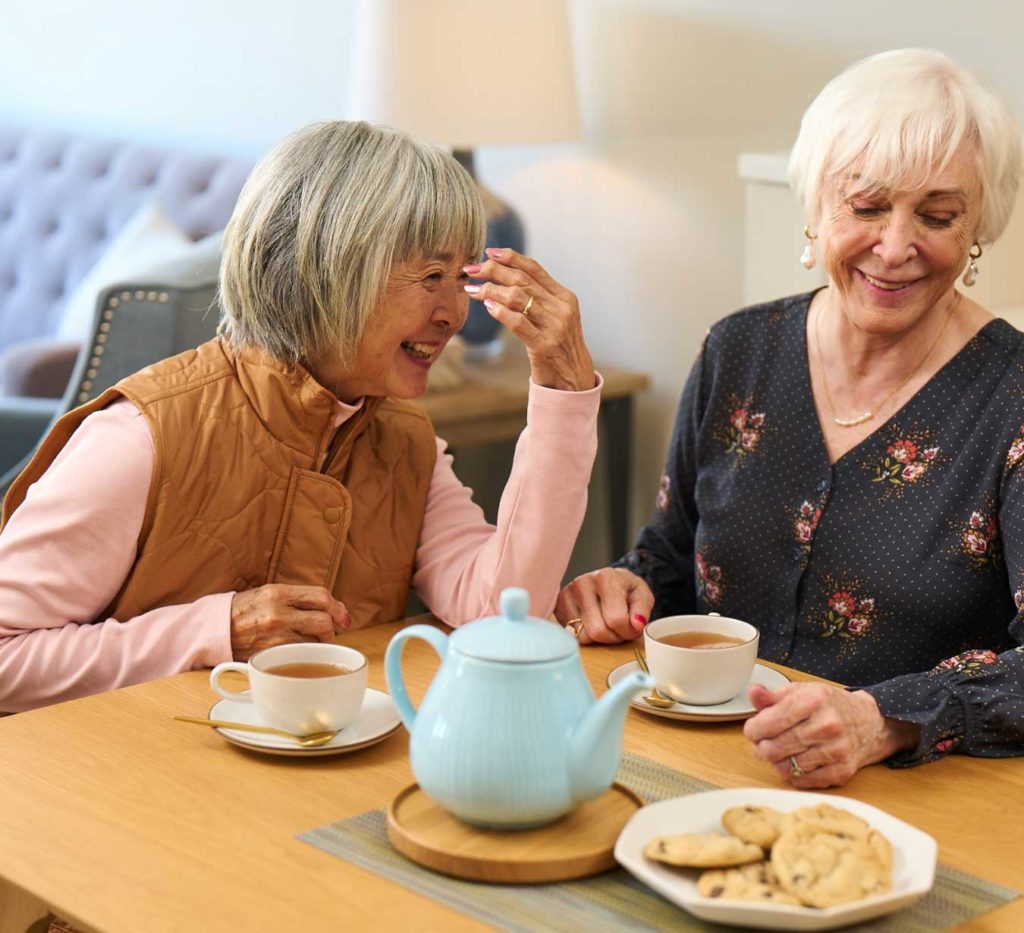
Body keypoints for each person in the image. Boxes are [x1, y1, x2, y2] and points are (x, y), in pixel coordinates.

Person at [0, 120, 600, 712]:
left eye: (461, 277)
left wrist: (562, 391)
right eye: (430, 276)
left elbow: (500, 611)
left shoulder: (407, 440)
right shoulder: (140, 437)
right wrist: (215, 629)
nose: (453, 313)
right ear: (327, 271)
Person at [557, 48, 1024, 787]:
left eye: (936, 215)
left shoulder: (1013, 397)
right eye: (866, 206)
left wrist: (887, 718)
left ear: (976, 228)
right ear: (813, 207)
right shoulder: (736, 350)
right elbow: (670, 563)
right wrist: (621, 589)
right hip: (696, 768)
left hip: (912, 797)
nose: (897, 246)